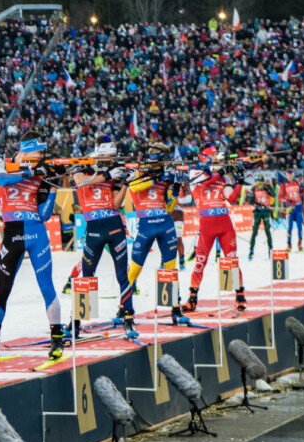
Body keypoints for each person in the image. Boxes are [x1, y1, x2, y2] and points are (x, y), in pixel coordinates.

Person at [0, 131, 63, 360]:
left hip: (37, 232)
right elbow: (0, 179)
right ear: (27, 150)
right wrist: (30, 171)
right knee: (1, 290)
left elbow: (45, 214)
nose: (42, 156)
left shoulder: (40, 172)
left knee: (46, 286)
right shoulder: (1, 162)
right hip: (12, 232)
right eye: (40, 152)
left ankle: (57, 339)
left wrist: (54, 186)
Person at [69, 140, 137, 339]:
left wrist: (125, 183)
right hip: (94, 230)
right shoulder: (81, 166)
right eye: (108, 158)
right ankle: (76, 322)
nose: (111, 162)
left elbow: (116, 203)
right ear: (99, 155)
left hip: (114, 226)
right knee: (87, 276)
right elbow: (81, 182)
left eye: (113, 158)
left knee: (122, 275)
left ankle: (128, 317)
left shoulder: (115, 170)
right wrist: (106, 175)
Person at [126, 142, 186, 325]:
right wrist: (157, 177)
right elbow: (134, 187)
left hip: (165, 224)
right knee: (135, 270)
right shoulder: (139, 172)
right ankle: (124, 309)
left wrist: (175, 190)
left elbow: (169, 207)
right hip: (146, 226)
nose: (165, 164)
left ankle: (176, 308)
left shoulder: (164, 176)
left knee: (171, 268)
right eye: (163, 160)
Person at [183, 146, 246, 315]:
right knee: (200, 262)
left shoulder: (222, 176)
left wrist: (239, 181)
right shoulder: (195, 172)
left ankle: (240, 296)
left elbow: (231, 198)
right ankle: (192, 298)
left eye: (216, 155)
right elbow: (205, 182)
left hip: (225, 224)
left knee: (232, 260)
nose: (215, 157)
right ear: (202, 157)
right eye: (212, 155)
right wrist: (221, 170)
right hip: (207, 227)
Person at [246, 174, 278, 260]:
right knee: (255, 232)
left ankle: (270, 249)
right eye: (257, 181)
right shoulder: (253, 189)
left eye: (260, 181)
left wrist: (267, 186)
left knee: (267, 230)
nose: (258, 183)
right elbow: (250, 201)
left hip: (266, 212)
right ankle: (251, 251)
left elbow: (274, 195)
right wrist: (258, 205)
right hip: (257, 212)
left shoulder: (266, 187)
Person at [279, 169, 304, 252]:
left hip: (298, 207)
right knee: (289, 227)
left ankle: (300, 244)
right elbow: (279, 198)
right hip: (290, 208)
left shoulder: (298, 182)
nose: (290, 177)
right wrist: (288, 201)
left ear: (293, 175)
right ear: (286, 176)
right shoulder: (283, 184)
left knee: (299, 226)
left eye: (291, 175)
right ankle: (289, 244)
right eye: (288, 175)